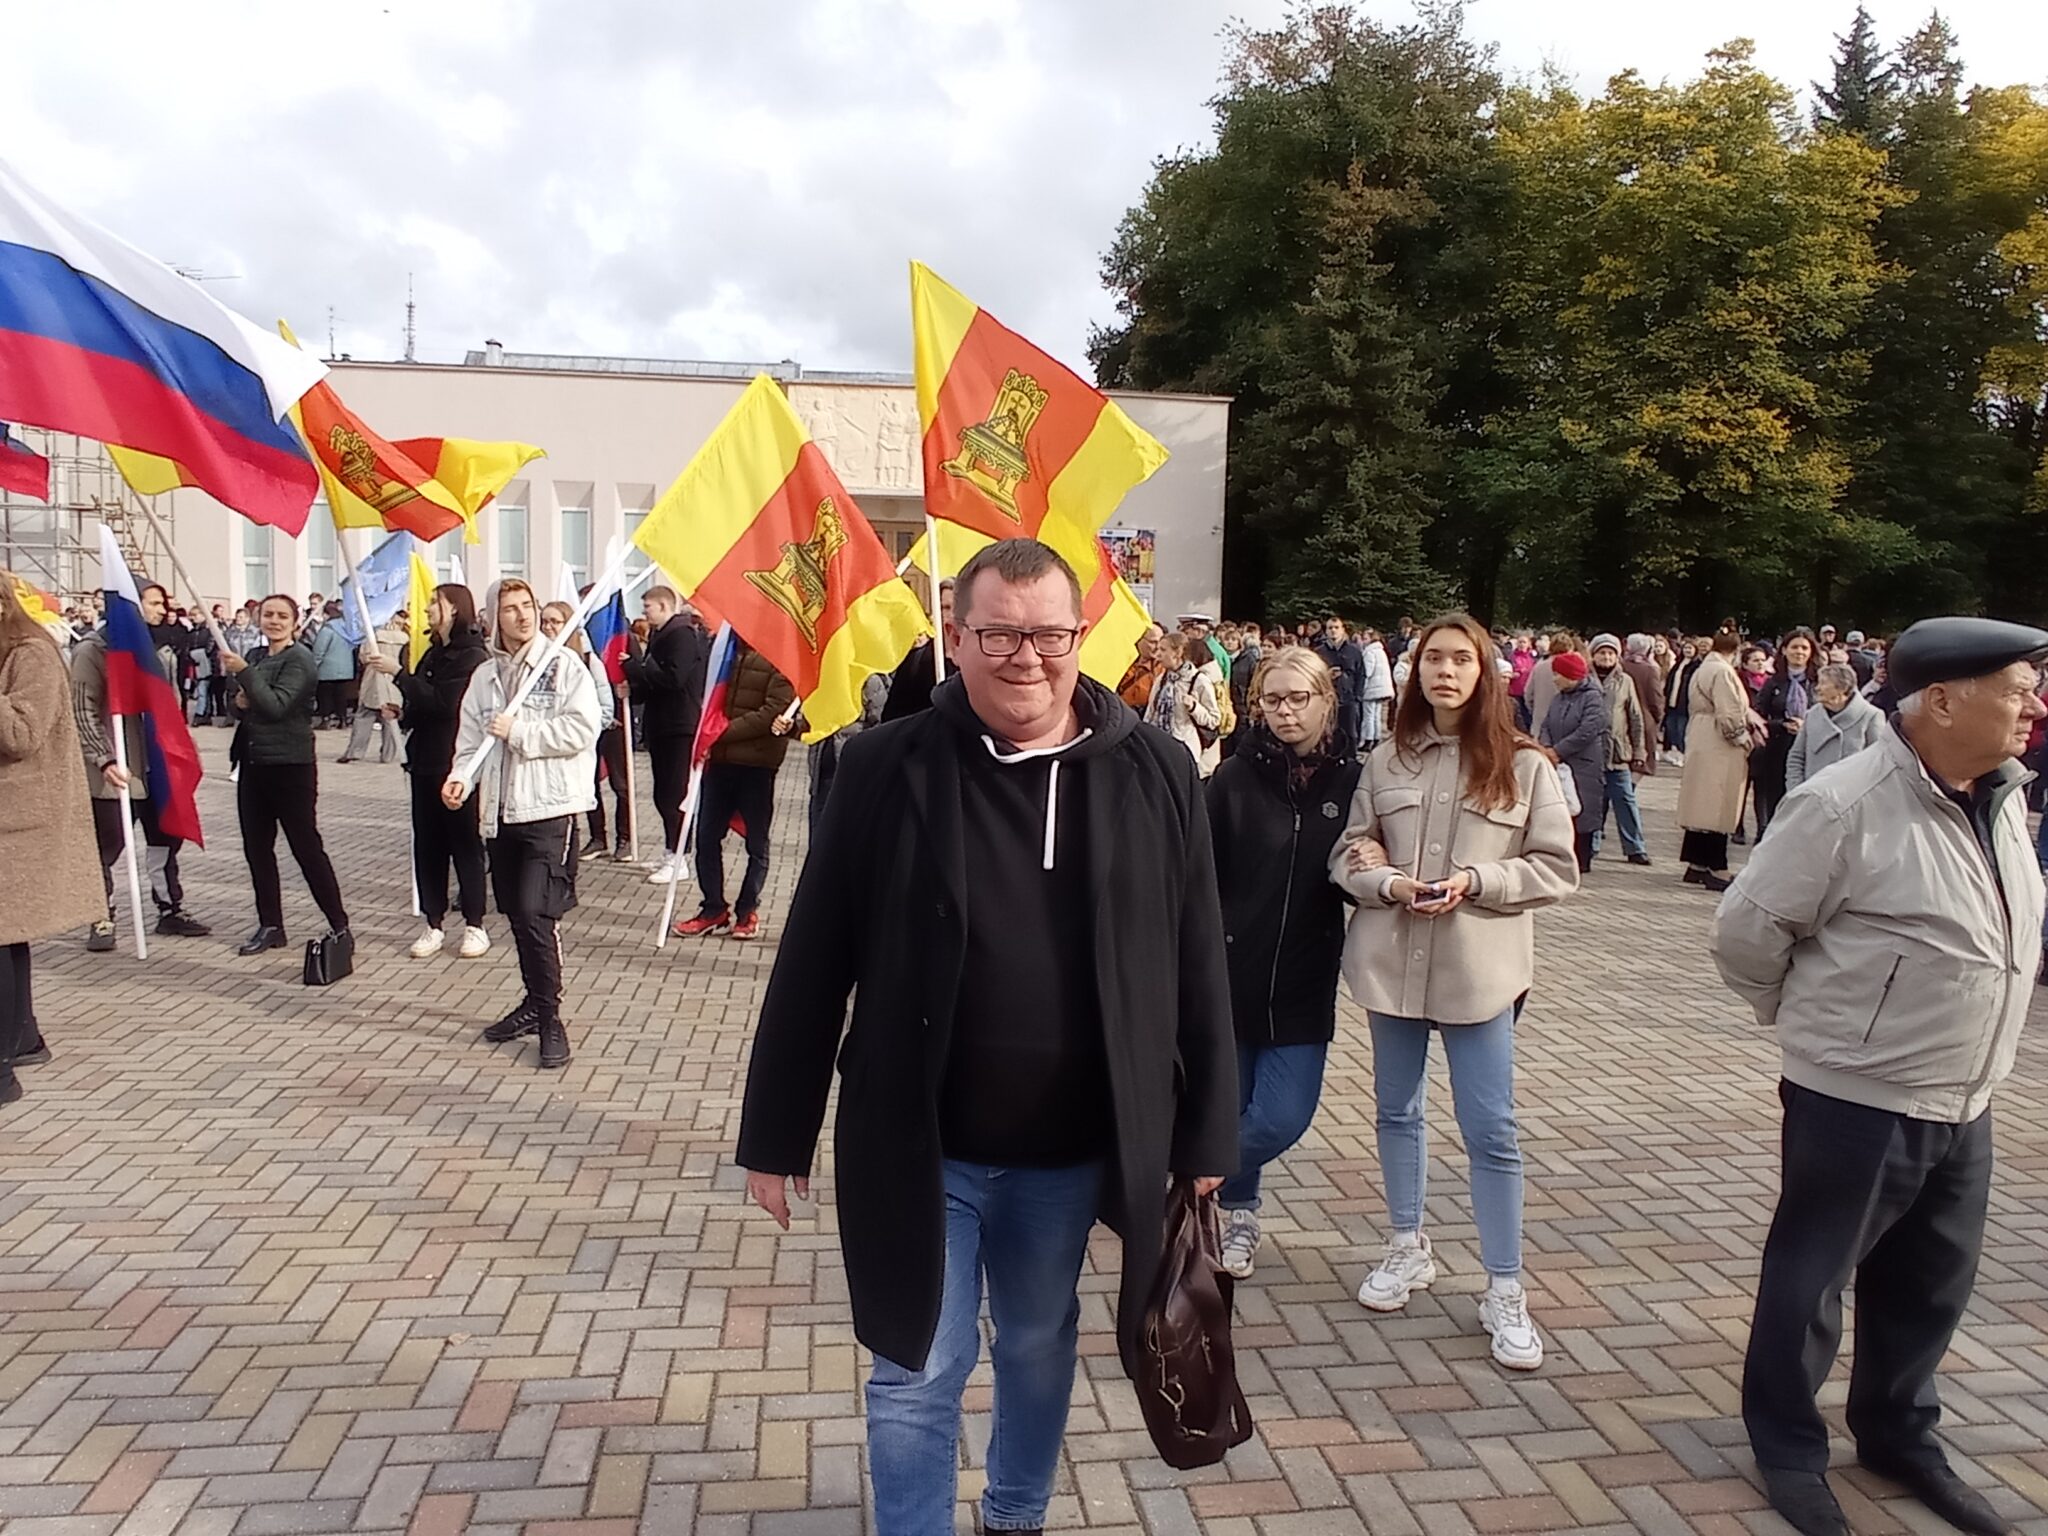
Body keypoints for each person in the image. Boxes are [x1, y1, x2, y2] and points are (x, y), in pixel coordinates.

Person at [734, 537, 1236, 1535]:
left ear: (1080, 638)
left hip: (1068, 1150)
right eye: (998, 633)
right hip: (921, 1142)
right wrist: (773, 1135)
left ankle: (1014, 1516)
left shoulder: (1154, 771)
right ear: (955, 637)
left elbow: (1195, 958)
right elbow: (816, 954)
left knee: (1038, 1343)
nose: (1025, 657)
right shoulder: (883, 765)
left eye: (1048, 634)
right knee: (919, 1361)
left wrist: (1207, 1134)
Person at [1711, 617, 2047, 1536]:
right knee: (1811, 1279)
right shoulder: (1841, 804)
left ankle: (1898, 1433)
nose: (2035, 706)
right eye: (2018, 689)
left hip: (1966, 1096)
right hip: (1855, 1096)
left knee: (1931, 1283)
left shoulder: (2004, 794)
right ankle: (1785, 1444)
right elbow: (1745, 938)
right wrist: (1827, 1031)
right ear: (1942, 700)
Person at [1330, 614, 1578, 1370]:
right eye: (1432, 658)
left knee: (1491, 1128)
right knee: (1395, 1110)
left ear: (1484, 672)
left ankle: (1505, 1286)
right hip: (1391, 964)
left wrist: (1477, 880)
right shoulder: (1388, 760)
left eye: (1459, 660)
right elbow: (1348, 851)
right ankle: (1406, 1243)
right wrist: (1386, 880)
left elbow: (1556, 867)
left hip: (1480, 973)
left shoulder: (1525, 765)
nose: (1444, 671)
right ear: (1414, 671)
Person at [1205, 647, 1361, 1279]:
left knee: (1280, 1115)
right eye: (1273, 700)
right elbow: (1196, 872)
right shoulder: (1233, 781)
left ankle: (1183, 1180)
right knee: (1233, 1105)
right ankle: (1239, 1214)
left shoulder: (1353, 782)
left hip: (1304, 975)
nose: (1287, 712)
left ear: (1328, 701)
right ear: (1256, 705)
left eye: (1300, 698)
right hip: (1229, 975)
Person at [445, 580, 602, 1070]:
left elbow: (583, 727)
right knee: (515, 913)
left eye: (527, 606)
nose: (522, 616)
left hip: (550, 811)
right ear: (493, 618)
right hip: (500, 812)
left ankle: (552, 1017)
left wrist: (522, 733)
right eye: (510, 609)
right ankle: (534, 1002)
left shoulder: (562, 667)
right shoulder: (487, 677)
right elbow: (470, 740)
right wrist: (459, 779)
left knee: (537, 912)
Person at [0, 573, 105, 1106]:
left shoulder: (31, 654)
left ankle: (2, 1071)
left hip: (20, 818)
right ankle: (22, 1040)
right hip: (10, 819)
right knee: (7, 934)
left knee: (2, 934)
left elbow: (21, 733)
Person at [69, 581, 211, 950]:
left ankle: (169, 908)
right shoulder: (93, 651)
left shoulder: (153, 649)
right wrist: (104, 759)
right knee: (107, 845)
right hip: (115, 770)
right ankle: (101, 916)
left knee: (164, 837)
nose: (162, 610)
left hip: (154, 765)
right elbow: (82, 710)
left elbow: (168, 704)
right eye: (154, 603)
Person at [223, 596, 350, 956]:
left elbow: (277, 705)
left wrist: (244, 677)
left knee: (305, 847)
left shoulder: (300, 659)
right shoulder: (260, 658)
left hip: (290, 767)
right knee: (257, 849)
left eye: (282, 616)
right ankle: (271, 924)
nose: (274, 621)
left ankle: (338, 922)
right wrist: (240, 699)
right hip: (254, 763)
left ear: (295, 622)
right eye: (268, 615)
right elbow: (243, 702)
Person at [376, 584, 492, 959]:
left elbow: (446, 704)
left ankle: (475, 924)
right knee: (427, 844)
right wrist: (402, 712)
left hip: (456, 763)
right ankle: (433, 922)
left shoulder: (471, 655)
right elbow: (423, 704)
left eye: (434, 603)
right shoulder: (433, 653)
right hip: (424, 761)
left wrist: (398, 673)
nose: (426, 610)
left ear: (454, 609)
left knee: (464, 843)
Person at [672, 638, 795, 941]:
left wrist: (721, 734)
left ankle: (747, 908)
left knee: (757, 843)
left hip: (756, 764)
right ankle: (713, 907)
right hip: (720, 763)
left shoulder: (780, 657)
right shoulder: (724, 653)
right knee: (706, 837)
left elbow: (772, 713)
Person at [623, 586, 707, 884]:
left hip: (679, 726)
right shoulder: (662, 635)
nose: (644, 612)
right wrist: (634, 688)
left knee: (674, 794)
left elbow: (674, 678)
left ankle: (680, 857)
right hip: (662, 725)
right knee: (662, 794)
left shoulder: (681, 635)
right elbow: (654, 679)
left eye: (648, 606)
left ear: (663, 605)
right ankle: (670, 849)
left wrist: (635, 668)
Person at [1676, 626, 1754, 892]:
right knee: (1718, 802)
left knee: (1701, 800)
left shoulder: (1704, 668)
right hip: (1718, 741)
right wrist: (1743, 739)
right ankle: (1716, 867)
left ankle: (1696, 862)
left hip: (1700, 734)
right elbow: (1729, 712)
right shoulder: (1722, 672)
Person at [540, 602, 616, 860]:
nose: (548, 627)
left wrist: (589, 730)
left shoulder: (586, 659)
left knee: (582, 793)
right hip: (548, 740)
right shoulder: (538, 657)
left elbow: (605, 703)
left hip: (579, 742)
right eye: (545, 621)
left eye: (555, 622)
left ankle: (594, 840)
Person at [1537, 650, 1607, 873]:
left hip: (1583, 762)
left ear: (1571, 675)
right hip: (1558, 761)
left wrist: (1558, 750)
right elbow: (1546, 724)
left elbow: (1589, 729)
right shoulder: (1559, 697)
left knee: (1583, 812)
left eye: (1558, 674)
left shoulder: (1593, 697)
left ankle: (1582, 860)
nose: (1554, 678)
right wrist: (1547, 748)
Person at [1589, 634, 1652, 866]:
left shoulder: (1625, 680)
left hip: (1618, 752)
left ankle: (1635, 847)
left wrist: (1639, 751)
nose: (1606, 657)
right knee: (1594, 802)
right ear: (1593, 655)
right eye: (1602, 653)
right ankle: (1591, 844)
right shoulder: (1585, 679)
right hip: (1591, 752)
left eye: (1611, 653)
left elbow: (1635, 717)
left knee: (1625, 800)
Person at [1751, 628, 1819, 839]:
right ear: (1785, 651)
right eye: (1795, 647)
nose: (1799, 652)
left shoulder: (1818, 680)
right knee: (1775, 798)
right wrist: (1781, 724)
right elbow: (1758, 715)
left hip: (1812, 747)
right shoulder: (1774, 682)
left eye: (1804, 648)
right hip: (1778, 748)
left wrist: (1807, 723)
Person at [1785, 663, 1883, 793]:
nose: (1817, 688)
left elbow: (1877, 764)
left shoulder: (1870, 716)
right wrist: (1796, 790)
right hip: (1811, 796)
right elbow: (1796, 757)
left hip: (1850, 799)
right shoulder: (1812, 714)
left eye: (1823, 683)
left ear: (1842, 687)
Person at [1143, 631, 1221, 776]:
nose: (1158, 654)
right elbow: (1151, 713)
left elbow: (1214, 720)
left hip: (1184, 752)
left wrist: (1194, 708)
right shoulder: (1162, 679)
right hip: (1159, 750)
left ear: (1177, 653)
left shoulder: (1199, 680)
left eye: (1163, 650)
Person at [882, 579, 956, 722]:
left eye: (956, 607)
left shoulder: (978, 660)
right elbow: (894, 717)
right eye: (945, 607)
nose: (951, 615)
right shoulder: (915, 662)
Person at [338, 614, 407, 764]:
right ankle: (388, 755)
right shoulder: (404, 638)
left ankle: (355, 751)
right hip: (394, 679)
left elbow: (364, 657)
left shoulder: (372, 635)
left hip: (373, 678)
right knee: (391, 718)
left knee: (363, 716)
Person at [1314, 616, 1366, 756]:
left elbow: (1361, 674)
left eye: (1336, 627)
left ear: (1342, 630)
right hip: (1327, 700)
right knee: (1328, 733)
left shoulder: (1354, 651)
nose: (1333, 631)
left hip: (1349, 700)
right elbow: (1313, 676)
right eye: (1330, 628)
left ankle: (1350, 761)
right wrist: (1326, 675)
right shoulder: (1319, 652)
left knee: (1350, 733)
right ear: (1326, 631)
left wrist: (1357, 697)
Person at [1623, 634, 1666, 776]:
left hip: (1622, 718)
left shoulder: (1620, 666)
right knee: (1641, 763)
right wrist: (1658, 717)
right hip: (1645, 718)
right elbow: (1655, 698)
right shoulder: (1650, 669)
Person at [307, 601, 354, 729]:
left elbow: (319, 650)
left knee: (325, 695)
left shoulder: (328, 629)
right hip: (345, 669)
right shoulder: (347, 629)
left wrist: (313, 666)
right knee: (341, 696)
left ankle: (326, 720)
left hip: (327, 669)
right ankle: (342, 719)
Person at [1115, 618, 1164, 714]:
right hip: (1121, 715)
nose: (1158, 646)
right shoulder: (1123, 662)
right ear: (1139, 640)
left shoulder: (1164, 669)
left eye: (1161, 642)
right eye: (1153, 642)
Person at [1356, 626, 1394, 750]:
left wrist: (1362, 688)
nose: (1363, 640)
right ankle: (1376, 738)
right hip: (1381, 687)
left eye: (1365, 638)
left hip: (1372, 688)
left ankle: (1368, 740)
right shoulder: (1380, 651)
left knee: (1369, 715)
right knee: (1376, 715)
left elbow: (1367, 672)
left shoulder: (1370, 652)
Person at [1507, 633, 1538, 732]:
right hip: (1515, 690)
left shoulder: (1533, 657)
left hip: (1529, 689)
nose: (1521, 644)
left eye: (1524, 642)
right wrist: (1513, 674)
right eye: (1519, 642)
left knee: (1528, 714)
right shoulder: (1512, 657)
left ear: (1529, 644)